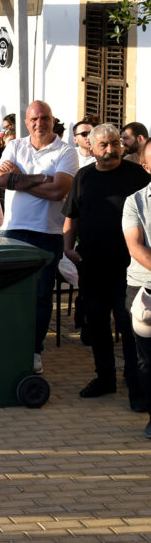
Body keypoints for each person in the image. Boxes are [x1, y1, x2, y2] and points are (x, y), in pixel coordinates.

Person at [63, 123, 151, 404]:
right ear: (92, 146)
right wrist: (67, 246)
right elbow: (72, 214)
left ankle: (136, 385)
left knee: (129, 326)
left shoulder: (137, 175)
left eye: (115, 143)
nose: (112, 149)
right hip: (92, 262)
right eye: (104, 145)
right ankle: (105, 378)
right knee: (97, 322)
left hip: (128, 267)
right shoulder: (83, 176)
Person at [0, 100, 77, 374]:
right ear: (26, 122)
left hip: (48, 234)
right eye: (33, 119)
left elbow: (59, 192)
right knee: (11, 294)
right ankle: (11, 346)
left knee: (41, 297)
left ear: (53, 120)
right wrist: (43, 178)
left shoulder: (67, 151)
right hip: (13, 231)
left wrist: (23, 179)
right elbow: (1, 181)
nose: (39, 123)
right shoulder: (15, 146)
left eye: (44, 118)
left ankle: (33, 351)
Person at [122, 142, 151, 436]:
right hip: (144, 289)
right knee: (147, 360)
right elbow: (136, 247)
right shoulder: (136, 202)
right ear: (146, 167)